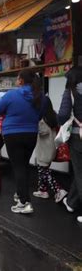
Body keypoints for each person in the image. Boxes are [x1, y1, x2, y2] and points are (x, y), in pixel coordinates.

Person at [0, 69, 45, 214]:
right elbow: (40, 114)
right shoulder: (40, 96)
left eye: (17, 78)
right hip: (31, 134)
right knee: (23, 165)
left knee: (19, 167)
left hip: (12, 134)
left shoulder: (11, 94)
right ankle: (20, 193)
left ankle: (24, 202)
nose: (16, 81)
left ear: (21, 81)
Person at [58, 66, 82, 223]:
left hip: (77, 138)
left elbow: (63, 115)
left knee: (80, 173)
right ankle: (71, 202)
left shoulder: (71, 93)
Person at [33, 98, 68, 202]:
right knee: (42, 169)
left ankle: (59, 190)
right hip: (51, 147)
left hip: (44, 150)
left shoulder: (42, 120)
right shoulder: (53, 115)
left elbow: (41, 131)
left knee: (45, 172)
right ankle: (42, 190)